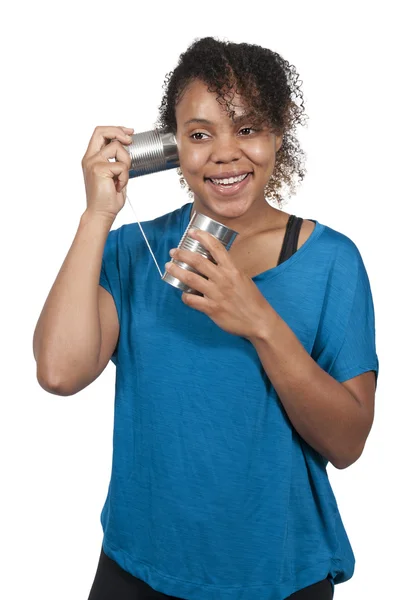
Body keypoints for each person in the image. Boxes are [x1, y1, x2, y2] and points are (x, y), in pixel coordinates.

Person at [33, 37, 378, 600]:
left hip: (278, 576)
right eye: (199, 134)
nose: (224, 153)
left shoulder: (332, 261)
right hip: (136, 572)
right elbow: (58, 372)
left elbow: (347, 443)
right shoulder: (131, 250)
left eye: (247, 129)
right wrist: (98, 212)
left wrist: (259, 320)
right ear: (171, 147)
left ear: (277, 134)